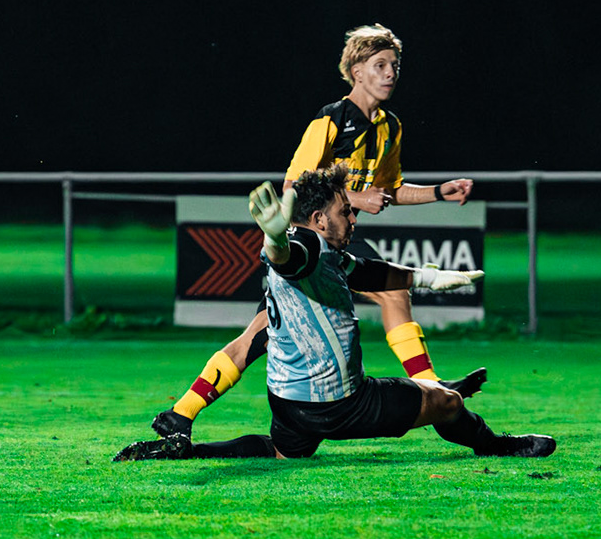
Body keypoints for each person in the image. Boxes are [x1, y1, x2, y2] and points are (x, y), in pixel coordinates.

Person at [142, 24, 483, 444]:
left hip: (333, 242)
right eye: (380, 65)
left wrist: (439, 192)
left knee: (286, 325)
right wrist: (355, 199)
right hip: (306, 242)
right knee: (263, 334)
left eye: (395, 65)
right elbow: (294, 186)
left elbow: (390, 189)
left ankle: (180, 413)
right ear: (356, 71)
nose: (390, 73)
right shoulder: (330, 120)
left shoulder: (390, 127)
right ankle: (181, 413)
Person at [114, 165, 554, 461]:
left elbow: (369, 271)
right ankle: (494, 446)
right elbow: (289, 257)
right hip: (342, 403)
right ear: (320, 219)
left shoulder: (325, 252)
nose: (353, 219)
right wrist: (274, 239)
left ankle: (191, 452)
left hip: (288, 404)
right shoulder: (307, 247)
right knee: (447, 402)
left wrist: (430, 278)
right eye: (346, 212)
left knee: (284, 452)